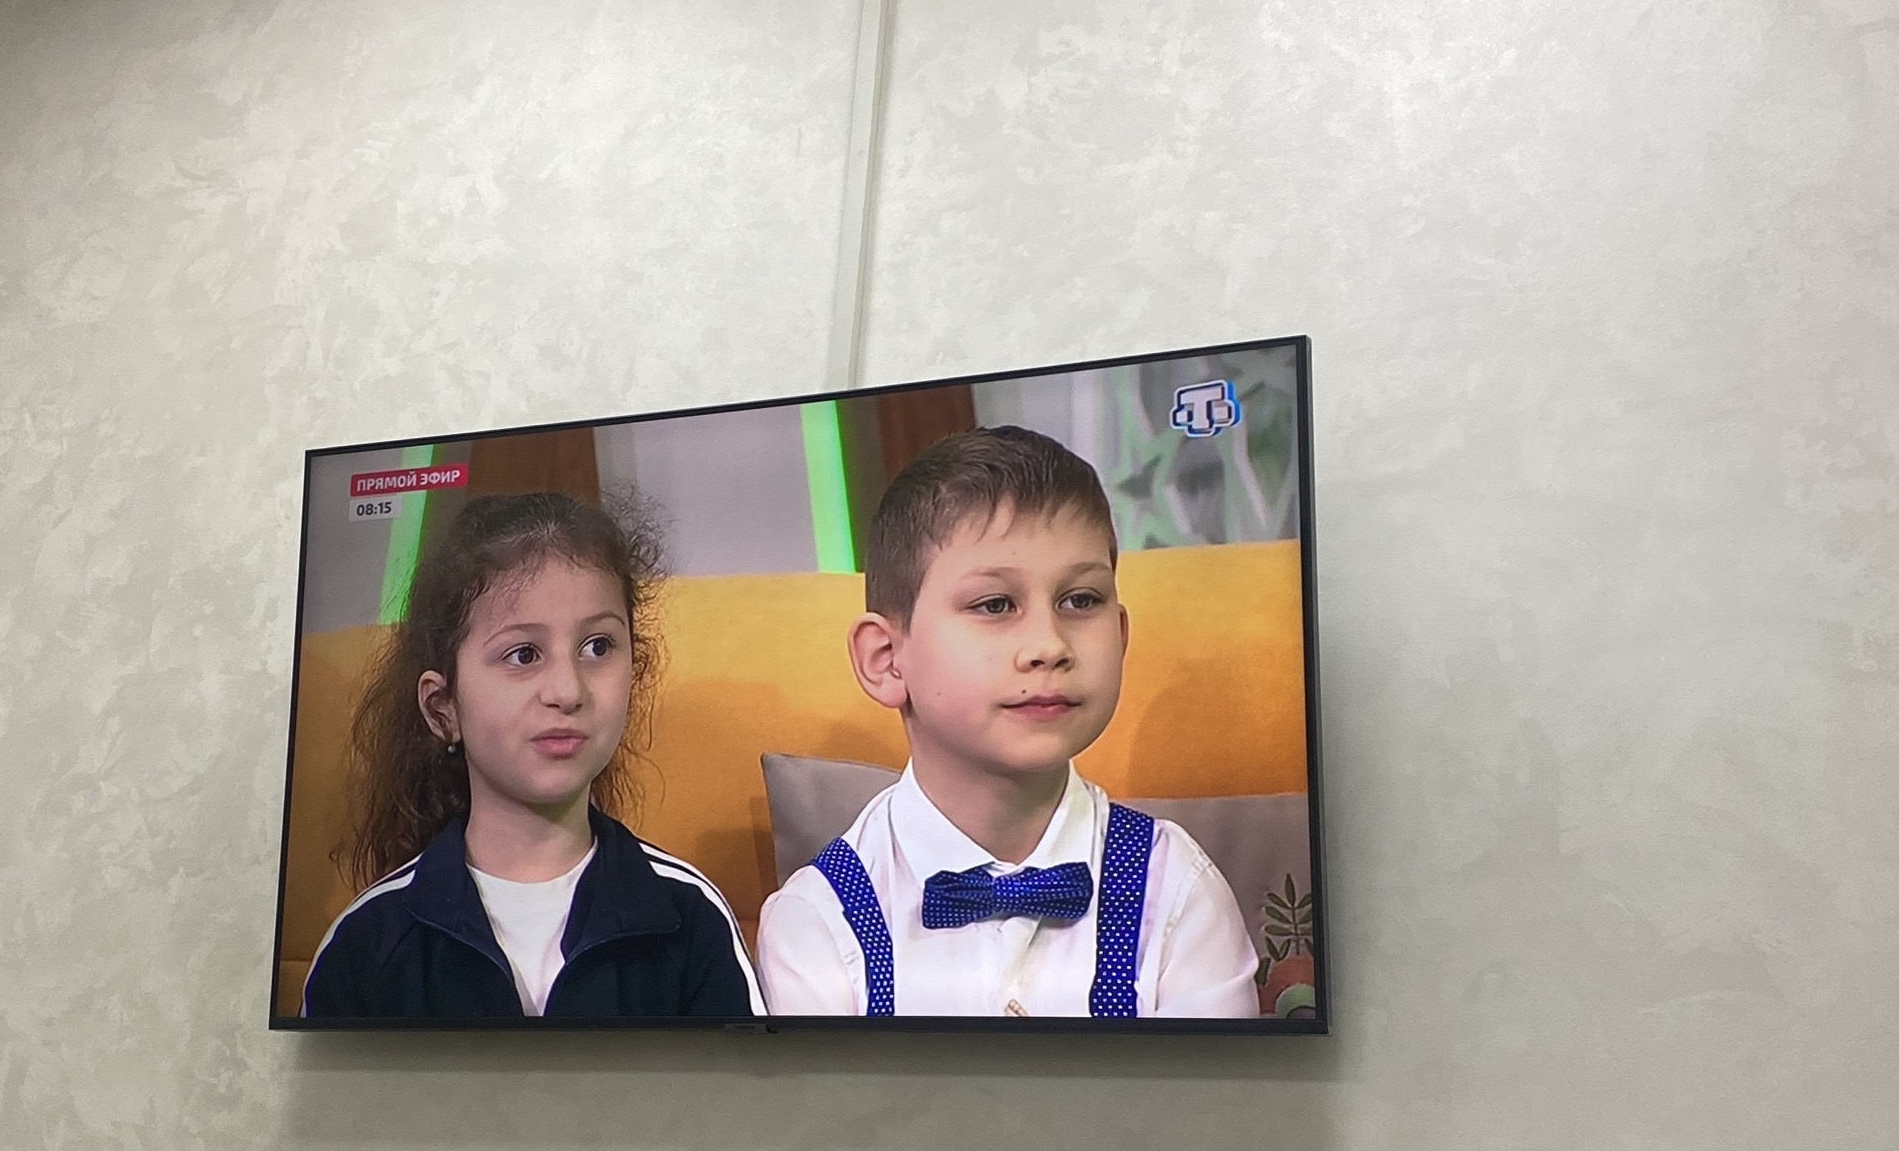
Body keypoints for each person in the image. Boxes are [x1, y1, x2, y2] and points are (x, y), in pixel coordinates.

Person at [755, 427, 1259, 1017]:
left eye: (1080, 600)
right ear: (887, 659)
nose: (1049, 646)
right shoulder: (819, 923)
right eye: (995, 605)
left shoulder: (1176, 892)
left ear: (1122, 636)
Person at [303, 491, 763, 1019]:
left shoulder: (692, 918)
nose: (567, 691)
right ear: (442, 708)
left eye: (598, 647)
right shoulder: (365, 944)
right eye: (523, 654)